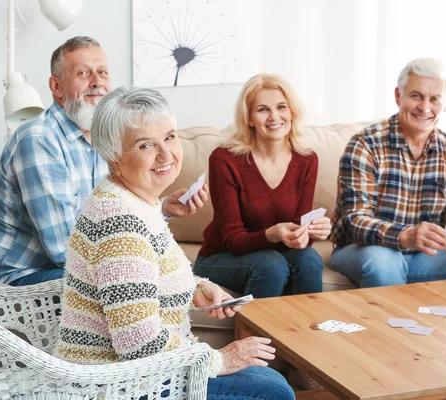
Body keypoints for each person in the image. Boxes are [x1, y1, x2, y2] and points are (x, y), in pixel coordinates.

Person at [54, 86, 295, 400]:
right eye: (145, 145)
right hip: (118, 385)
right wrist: (220, 359)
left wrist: (195, 288)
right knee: (273, 391)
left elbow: (141, 277)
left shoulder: (135, 201)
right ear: (114, 156)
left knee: (267, 382)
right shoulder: (121, 223)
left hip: (134, 374)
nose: (166, 154)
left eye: (169, 136)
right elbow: (138, 344)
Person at [0, 36, 207, 286]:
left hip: (66, 270)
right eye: (83, 73)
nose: (97, 82)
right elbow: (66, 250)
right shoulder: (38, 139)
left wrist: (162, 208)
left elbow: (112, 217)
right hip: (16, 280)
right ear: (57, 86)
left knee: (142, 281)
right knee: (132, 283)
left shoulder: (106, 136)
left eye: (103, 72)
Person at [329, 57, 446, 291]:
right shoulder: (365, 145)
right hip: (363, 250)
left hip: (424, 257)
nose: (425, 107)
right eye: (416, 96)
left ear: (445, 105)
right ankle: (389, 329)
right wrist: (405, 235)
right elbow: (353, 221)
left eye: (434, 99)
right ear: (398, 96)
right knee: (386, 262)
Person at [193, 73, 327, 298]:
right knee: (271, 264)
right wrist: (272, 234)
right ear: (249, 119)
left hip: (276, 253)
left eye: (281, 107)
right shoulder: (225, 159)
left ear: (292, 112)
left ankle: (309, 331)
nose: (274, 117)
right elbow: (233, 240)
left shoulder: (306, 159)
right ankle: (254, 332)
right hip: (222, 256)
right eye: (263, 109)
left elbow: (297, 229)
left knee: (310, 259)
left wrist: (311, 231)